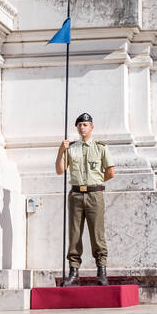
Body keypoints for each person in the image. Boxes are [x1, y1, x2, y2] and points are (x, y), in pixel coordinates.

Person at [55, 113, 115, 284]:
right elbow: (60, 170)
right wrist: (61, 151)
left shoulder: (101, 147)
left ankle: (101, 271)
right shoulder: (71, 148)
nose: (82, 127)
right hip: (75, 195)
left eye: (85, 124)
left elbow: (110, 172)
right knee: (74, 234)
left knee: (97, 234)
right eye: (80, 125)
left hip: (94, 194)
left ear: (91, 127)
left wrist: (94, 183)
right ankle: (74, 272)